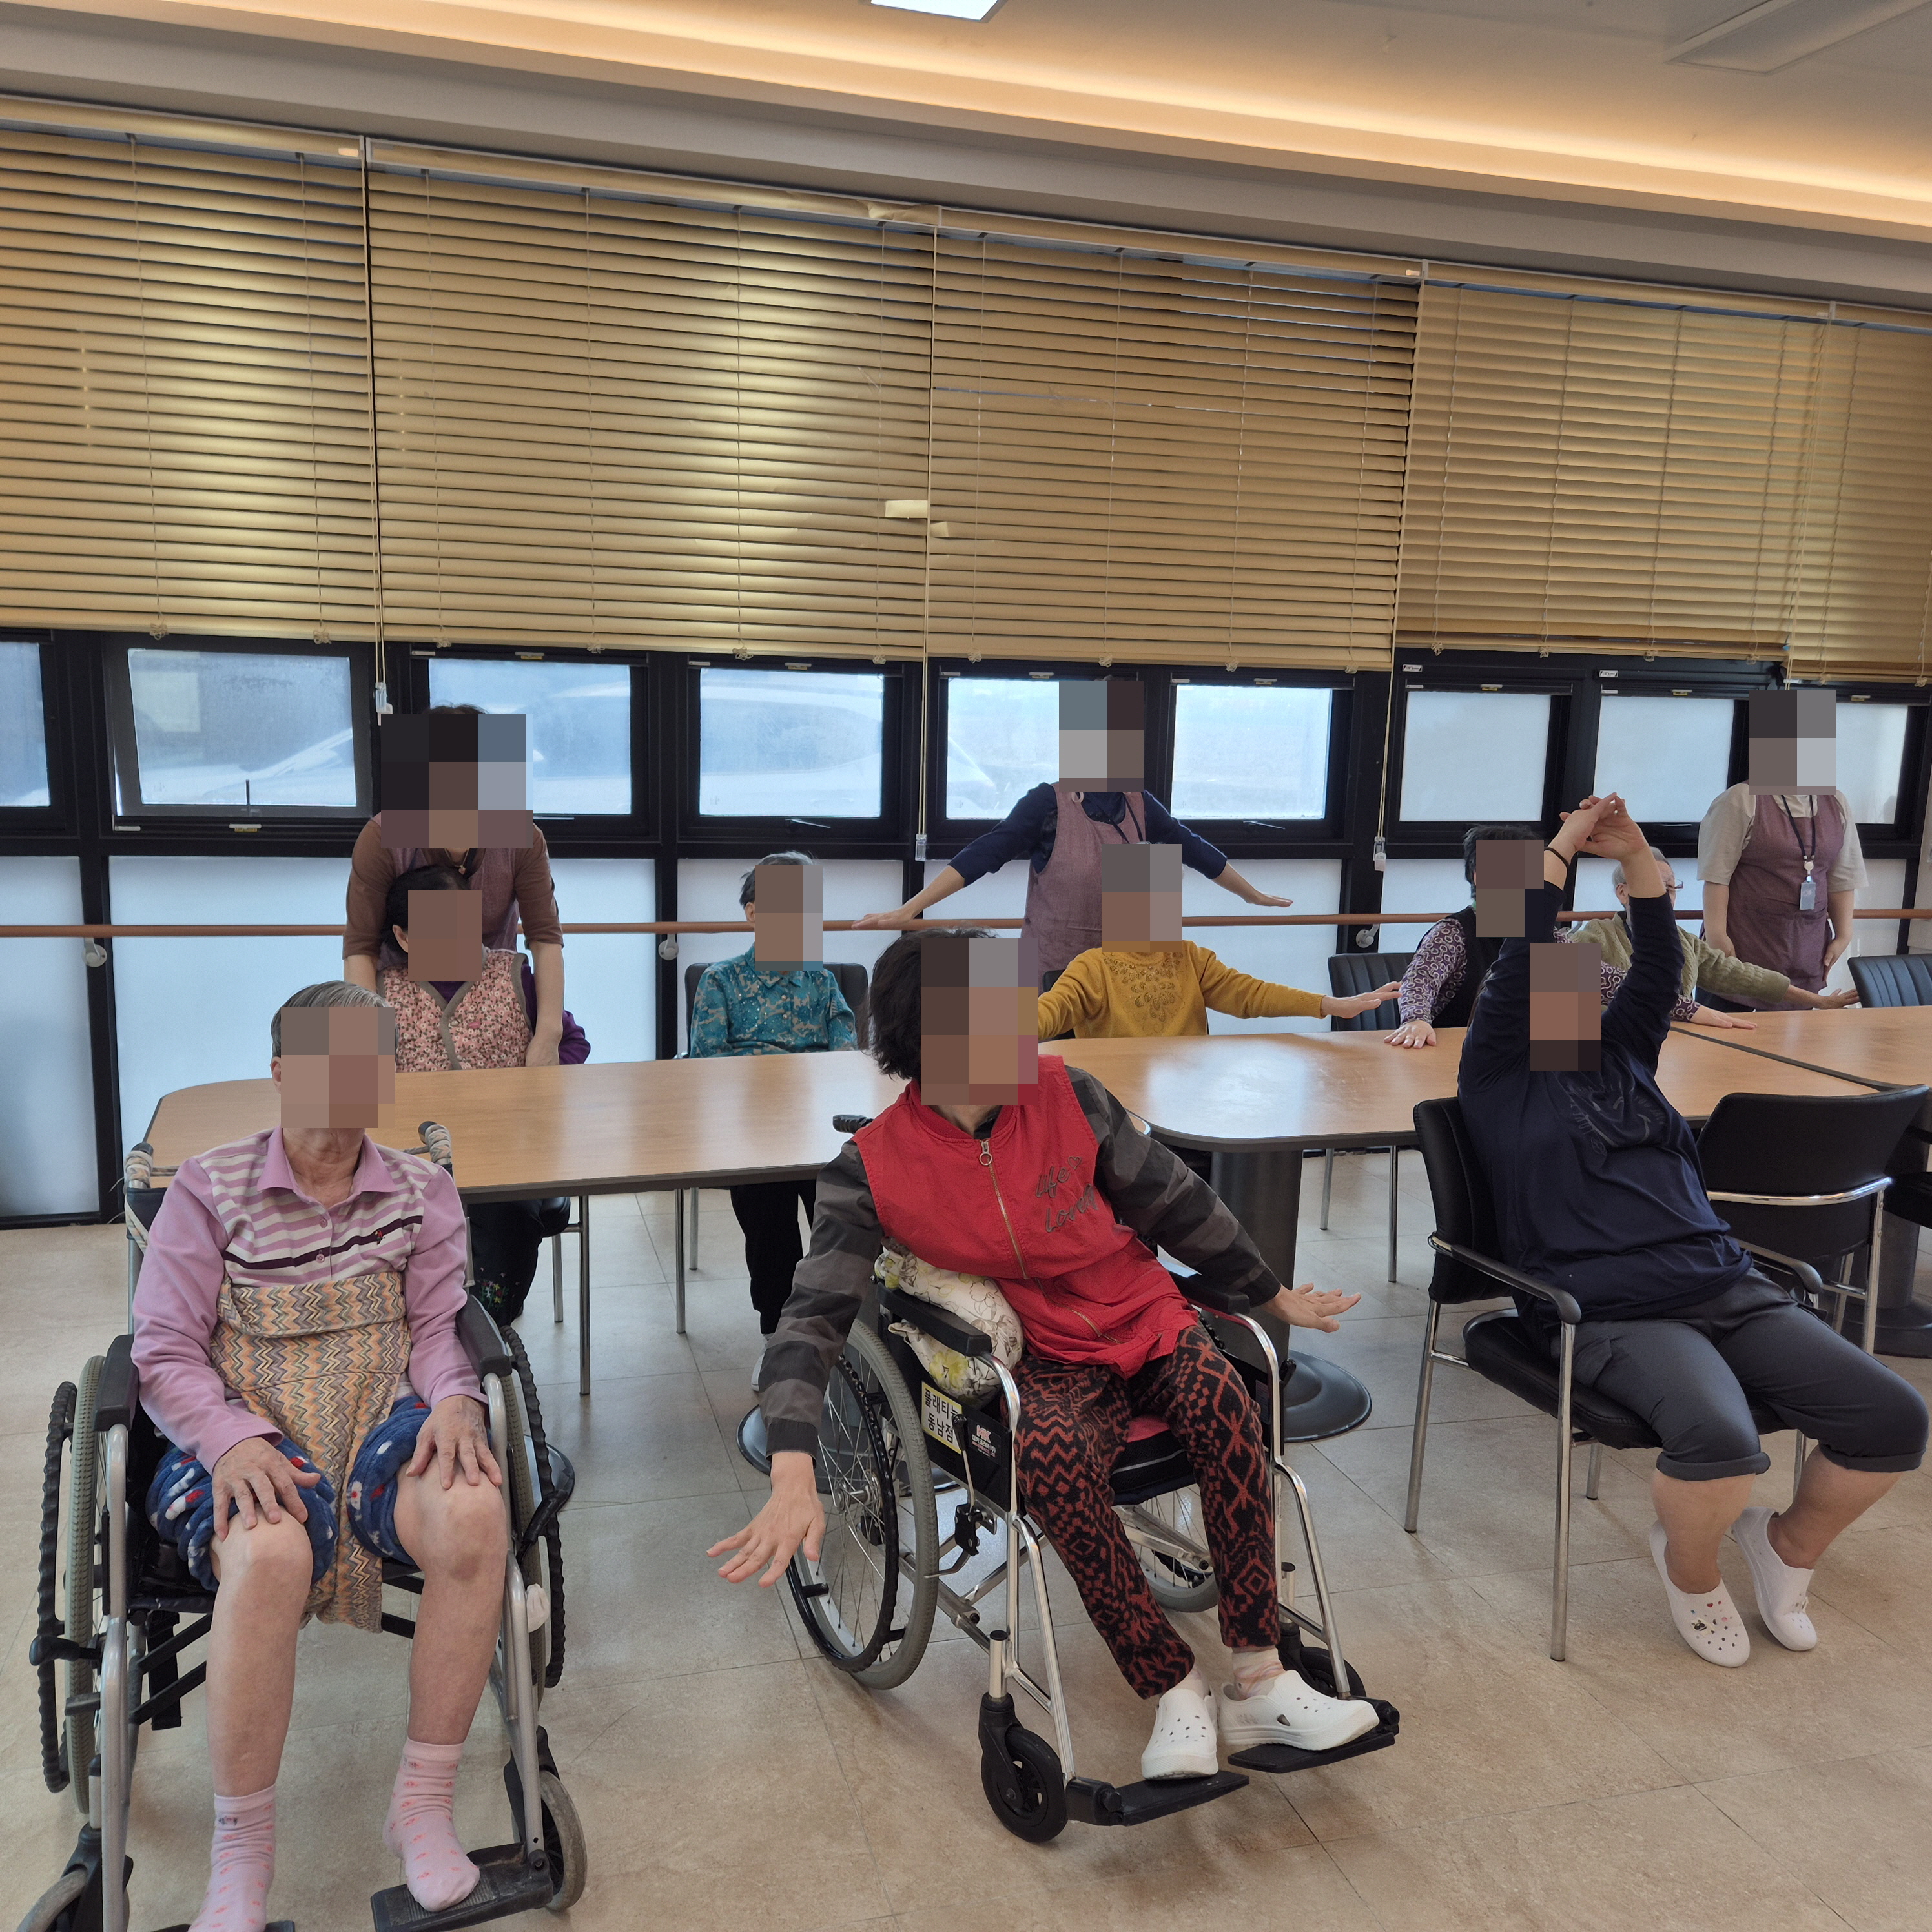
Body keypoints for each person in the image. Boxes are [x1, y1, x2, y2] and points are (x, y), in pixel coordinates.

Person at [710, 930, 1382, 1778]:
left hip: (1140, 1311)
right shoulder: (871, 1168)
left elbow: (1174, 1199)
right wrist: (793, 1467)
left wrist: (1268, 1291)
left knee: (1226, 1400)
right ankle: (1172, 1683)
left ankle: (1258, 1677)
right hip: (1039, 1355)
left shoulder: (1069, 1093)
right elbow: (813, 1316)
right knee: (1055, 1460)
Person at [1457, 794, 1926, 1667]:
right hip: (1606, 1304)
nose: (1565, 994)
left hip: (1722, 1281)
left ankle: (1784, 1548)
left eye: (1579, 987)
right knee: (1723, 1444)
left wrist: (1638, 857)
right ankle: (1692, 1569)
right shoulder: (1497, 1079)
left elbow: (1658, 959)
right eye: (1545, 989)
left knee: (1893, 1417)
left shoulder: (1627, 1055)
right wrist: (1564, 843)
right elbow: (1521, 950)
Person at [132, 980, 508, 1929]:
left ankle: (420, 1806)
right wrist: (232, 1441)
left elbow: (438, 1327)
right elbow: (163, 1350)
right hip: (240, 1422)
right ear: (281, 1071)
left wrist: (456, 1399)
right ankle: (240, 1854)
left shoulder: (422, 1191)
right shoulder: (208, 1189)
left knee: (474, 1511)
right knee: (267, 1552)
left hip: (382, 1409)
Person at [378, 863, 590, 1323]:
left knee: (509, 1219)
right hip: (416, 1161)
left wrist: (535, 1092)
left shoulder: (514, 975)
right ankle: (425, 1328)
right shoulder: (380, 992)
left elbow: (573, 1043)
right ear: (404, 937)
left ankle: (492, 1328)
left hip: (508, 1155)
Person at [1387, 822, 1774, 1050]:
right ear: (1480, 876)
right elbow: (1419, 982)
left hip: (1528, 1069)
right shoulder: (1454, 933)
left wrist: (1692, 1010)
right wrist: (1417, 1020)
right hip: (1461, 1060)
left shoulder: (1546, 936)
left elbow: (1607, 981)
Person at [688, 853, 858, 1351]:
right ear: (753, 913)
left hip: (819, 1127)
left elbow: (847, 1062)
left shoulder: (823, 983)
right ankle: (777, 1335)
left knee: (847, 1215)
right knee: (770, 1222)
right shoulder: (721, 981)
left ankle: (840, 1333)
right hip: (753, 1131)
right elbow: (708, 1065)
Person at [850, 794, 1290, 985]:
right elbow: (986, 852)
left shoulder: (1139, 803)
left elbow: (1193, 848)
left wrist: (1250, 894)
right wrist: (910, 908)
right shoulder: (1047, 804)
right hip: (1054, 970)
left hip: (1127, 971)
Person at [344, 704, 568, 1066]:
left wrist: (548, 1035)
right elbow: (361, 948)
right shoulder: (382, 838)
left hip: (493, 991)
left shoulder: (523, 838)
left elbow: (545, 937)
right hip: (402, 996)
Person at [1567, 846, 1859, 1020]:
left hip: (1676, 1047)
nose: (1664, 896)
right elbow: (1563, 1020)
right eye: (1651, 886)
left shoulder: (1683, 941)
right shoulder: (1593, 937)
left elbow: (1741, 975)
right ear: (1623, 893)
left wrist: (1819, 1001)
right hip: (1615, 1053)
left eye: (1670, 888)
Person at [1698, 779, 1867, 1005]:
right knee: (1727, 1022)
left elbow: (1843, 876)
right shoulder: (1742, 798)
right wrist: (1717, 936)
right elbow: (1716, 876)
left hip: (1806, 949)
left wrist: (1844, 934)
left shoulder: (1836, 801)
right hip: (1743, 943)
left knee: (1794, 1025)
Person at [1036, 939, 1399, 1039]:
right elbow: (1052, 1010)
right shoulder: (1093, 965)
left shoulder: (1190, 956)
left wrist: (1329, 1004)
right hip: (1121, 1102)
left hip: (1190, 1092)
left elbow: (1249, 994)